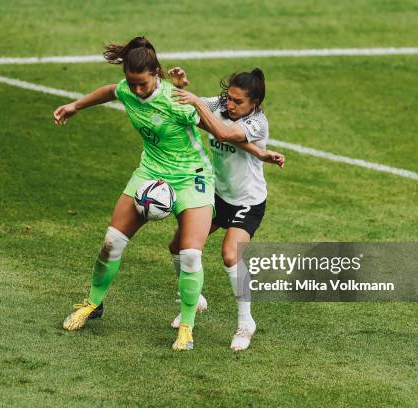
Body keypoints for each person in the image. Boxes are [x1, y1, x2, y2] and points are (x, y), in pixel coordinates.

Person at [53, 37, 214, 351]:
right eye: (132, 83)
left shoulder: (174, 101)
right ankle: (93, 304)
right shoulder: (126, 88)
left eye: (142, 83)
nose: (137, 90)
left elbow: (214, 128)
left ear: (156, 74)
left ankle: (186, 326)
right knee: (111, 242)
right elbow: (110, 91)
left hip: (192, 177)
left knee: (191, 254)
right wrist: (75, 106)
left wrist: (249, 146)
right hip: (150, 174)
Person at [168, 67, 284, 351]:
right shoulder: (219, 105)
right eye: (228, 98)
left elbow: (221, 132)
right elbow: (179, 103)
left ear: (253, 103)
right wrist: (181, 87)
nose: (230, 105)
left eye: (238, 101)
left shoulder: (258, 123)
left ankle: (246, 324)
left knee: (231, 254)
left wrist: (196, 103)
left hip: (248, 200)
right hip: (217, 195)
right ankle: (196, 299)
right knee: (178, 245)